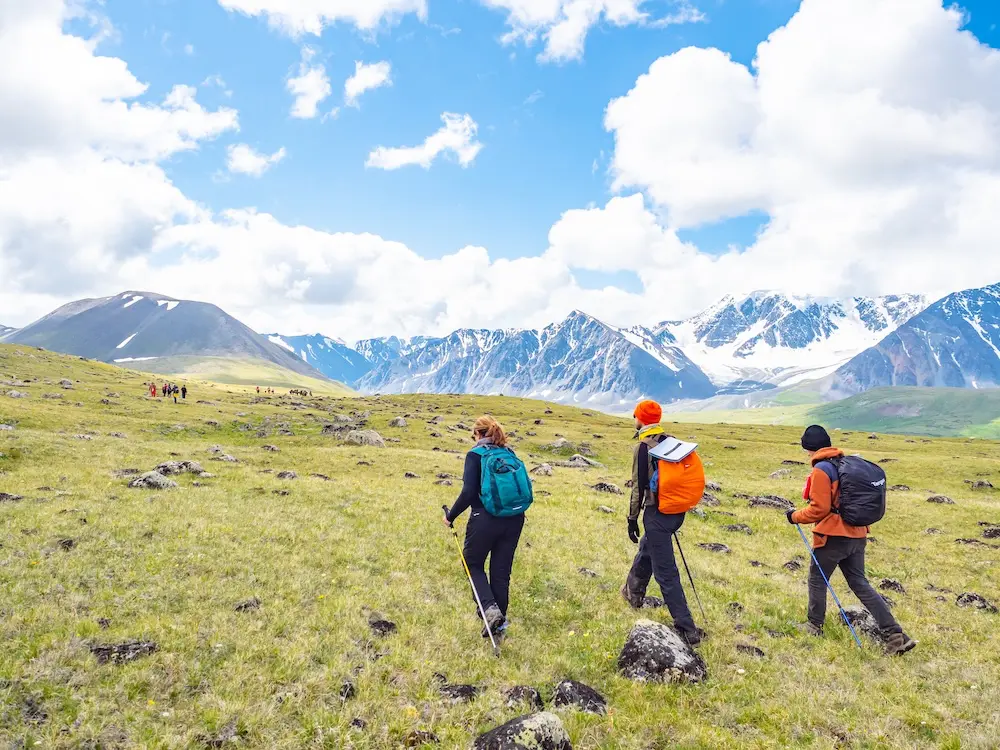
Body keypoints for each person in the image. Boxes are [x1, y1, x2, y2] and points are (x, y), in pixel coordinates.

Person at [787, 425, 916, 655]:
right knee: (859, 583)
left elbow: (819, 509)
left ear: (808, 448)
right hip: (857, 533)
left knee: (817, 579)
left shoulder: (821, 471)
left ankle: (813, 626)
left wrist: (794, 516)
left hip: (833, 536)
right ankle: (896, 635)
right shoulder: (844, 464)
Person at [620, 399, 705, 646]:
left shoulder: (643, 448)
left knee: (666, 572)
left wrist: (631, 519)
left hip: (657, 513)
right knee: (648, 547)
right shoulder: (671, 441)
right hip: (677, 511)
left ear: (640, 419)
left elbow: (638, 487)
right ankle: (632, 593)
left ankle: (687, 629)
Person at [443, 416, 528, 640]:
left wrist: (450, 516)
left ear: (478, 434)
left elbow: (469, 492)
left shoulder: (475, 455)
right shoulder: (509, 454)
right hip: (515, 517)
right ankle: (499, 625)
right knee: (501, 573)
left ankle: (490, 610)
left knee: (472, 564)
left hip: (485, 518)